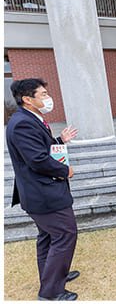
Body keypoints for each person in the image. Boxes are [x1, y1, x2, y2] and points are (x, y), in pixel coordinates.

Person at [6, 78, 80, 301]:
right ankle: (51, 292)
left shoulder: (30, 118)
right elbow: (37, 160)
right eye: (44, 95)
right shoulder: (22, 123)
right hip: (43, 194)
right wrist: (65, 170)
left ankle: (54, 276)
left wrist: (60, 140)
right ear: (28, 99)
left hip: (40, 193)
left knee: (49, 237)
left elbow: (39, 147)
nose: (48, 99)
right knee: (65, 234)